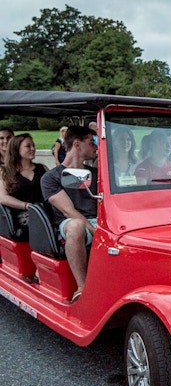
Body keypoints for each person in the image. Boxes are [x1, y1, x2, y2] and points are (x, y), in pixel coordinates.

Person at [40, 126, 98, 303]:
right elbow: (69, 211)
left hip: (99, 220)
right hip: (70, 223)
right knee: (76, 225)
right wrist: (97, 233)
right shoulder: (51, 178)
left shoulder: (96, 173)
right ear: (77, 144)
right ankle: (82, 287)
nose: (96, 147)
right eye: (92, 142)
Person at [0, 133, 48, 232]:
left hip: (45, 210)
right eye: (28, 146)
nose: (33, 149)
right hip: (22, 214)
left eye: (33, 145)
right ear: (16, 149)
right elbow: (3, 197)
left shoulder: (42, 168)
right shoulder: (5, 171)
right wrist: (27, 205)